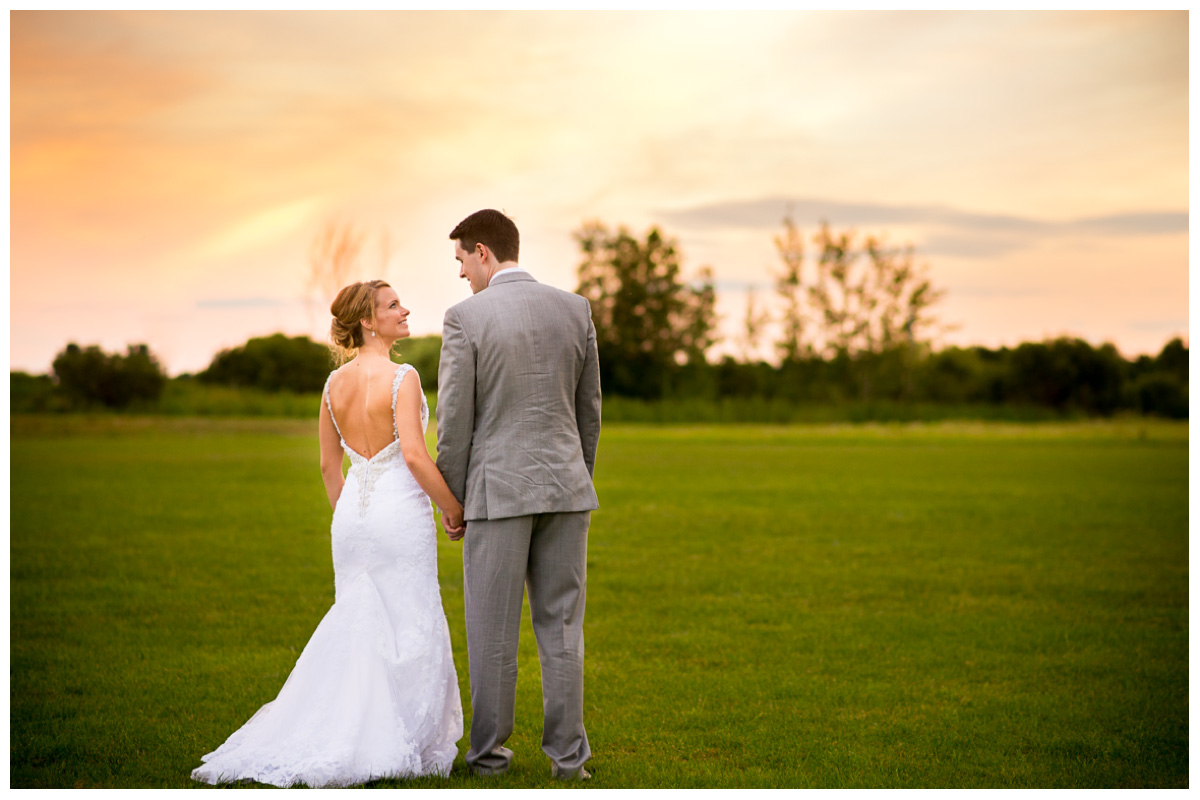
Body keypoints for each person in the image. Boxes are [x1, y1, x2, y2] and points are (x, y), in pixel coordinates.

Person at [192, 280, 464, 787]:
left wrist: (351, 517)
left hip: (352, 521)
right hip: (398, 515)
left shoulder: (332, 385)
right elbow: (412, 455)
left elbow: (327, 466)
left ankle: (344, 724)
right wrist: (454, 507)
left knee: (358, 618)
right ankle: (398, 735)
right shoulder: (403, 376)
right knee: (408, 618)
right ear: (367, 320)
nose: (405, 310)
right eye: (392, 306)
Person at [436, 209, 601, 781]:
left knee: (492, 631)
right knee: (562, 628)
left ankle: (488, 757)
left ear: (483, 252)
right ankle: (569, 761)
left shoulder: (465, 318)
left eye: (460, 260)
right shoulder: (575, 308)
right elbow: (590, 414)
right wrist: (576, 479)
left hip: (496, 493)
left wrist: (451, 501)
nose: (460, 274)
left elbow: (455, 422)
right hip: (567, 489)